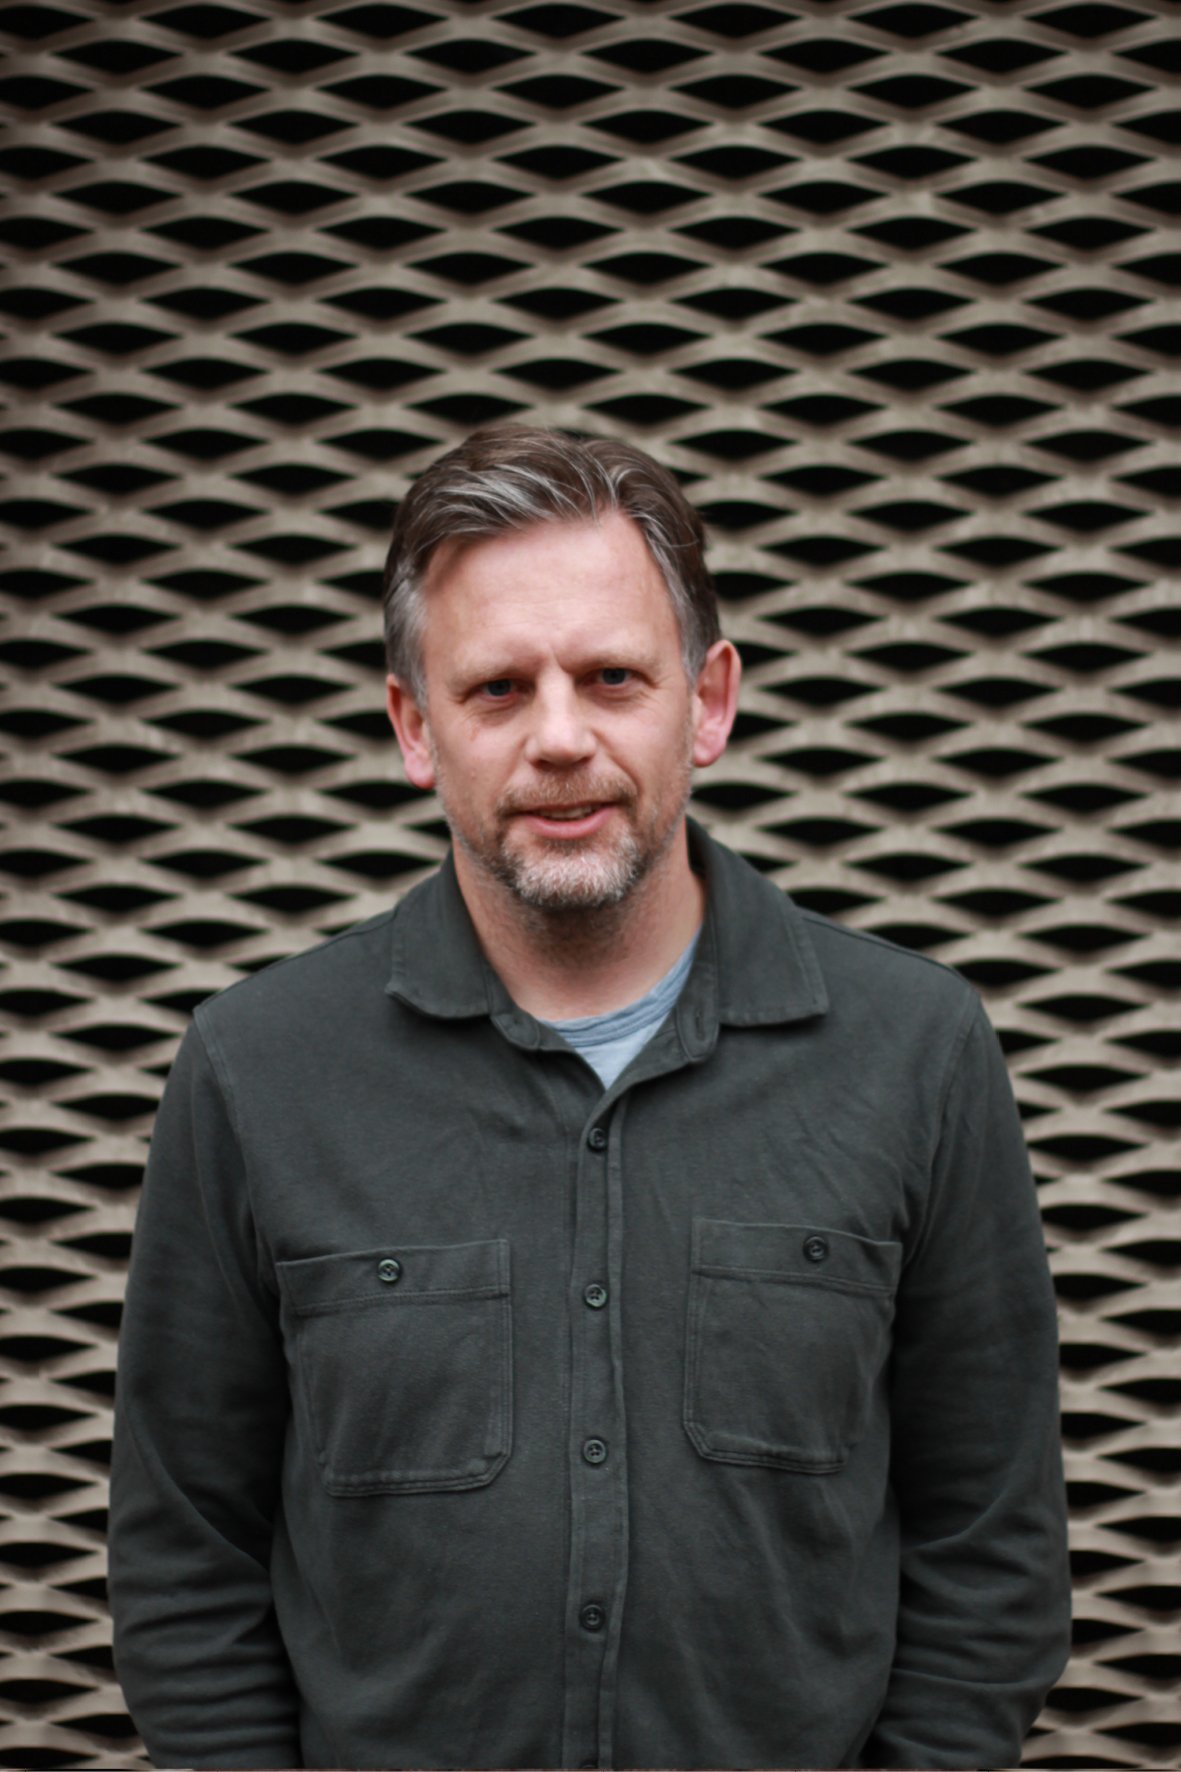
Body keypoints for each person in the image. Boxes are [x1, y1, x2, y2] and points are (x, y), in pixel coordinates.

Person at [109, 424, 1071, 1771]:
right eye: (497, 689)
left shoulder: (913, 1050)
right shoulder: (254, 1067)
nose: (559, 738)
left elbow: (991, 1541)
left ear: (708, 701)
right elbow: (184, 1555)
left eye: (612, 677)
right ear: (414, 727)